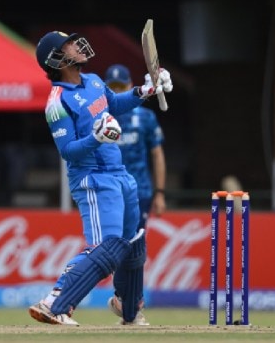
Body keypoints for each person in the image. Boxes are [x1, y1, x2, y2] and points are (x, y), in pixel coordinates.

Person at [28, 31, 173, 326]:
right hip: (93, 179)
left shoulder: (93, 81)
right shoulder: (57, 102)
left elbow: (114, 104)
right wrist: (96, 138)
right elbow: (68, 151)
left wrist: (145, 90)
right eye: (69, 44)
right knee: (107, 247)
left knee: (132, 243)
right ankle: (55, 301)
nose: (77, 46)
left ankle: (128, 308)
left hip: (120, 173)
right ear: (56, 59)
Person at [102, 63, 168, 324]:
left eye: (122, 86)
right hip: (111, 191)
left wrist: (160, 192)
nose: (118, 90)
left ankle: (131, 304)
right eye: (113, 87)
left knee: (134, 245)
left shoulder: (146, 117)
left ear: (130, 86)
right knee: (117, 245)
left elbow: (157, 154)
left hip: (140, 190)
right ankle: (126, 299)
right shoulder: (103, 115)